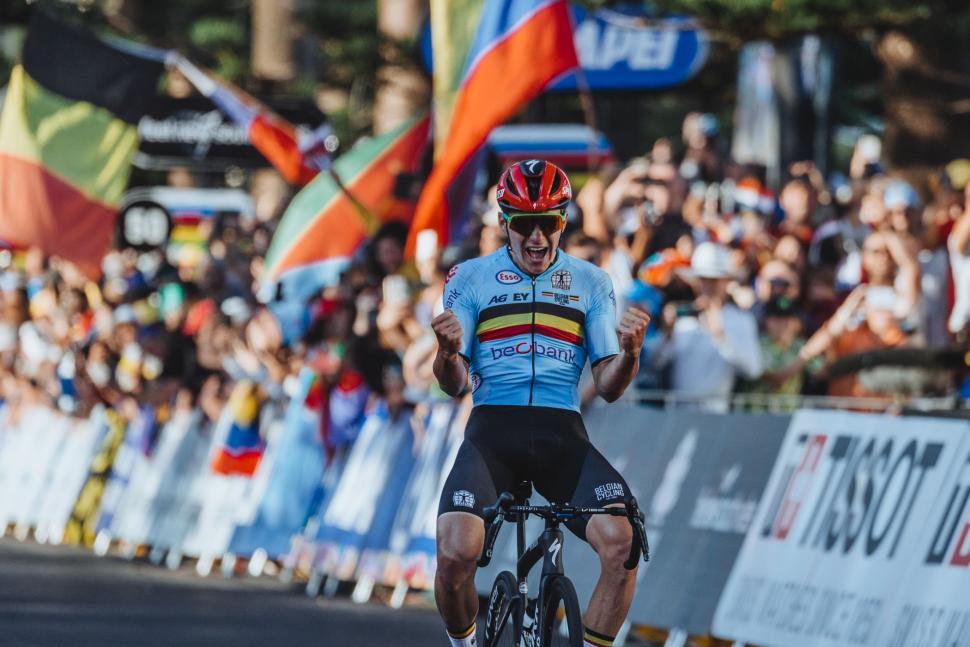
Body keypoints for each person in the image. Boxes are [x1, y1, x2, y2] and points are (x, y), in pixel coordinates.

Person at [429, 159, 650, 647]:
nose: (535, 237)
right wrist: (446, 353)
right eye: (523, 223)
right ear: (505, 222)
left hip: (561, 436)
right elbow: (454, 383)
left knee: (622, 543)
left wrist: (630, 354)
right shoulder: (470, 277)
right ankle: (463, 644)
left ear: (562, 221)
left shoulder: (592, 282)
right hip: (492, 435)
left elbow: (609, 386)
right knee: (455, 553)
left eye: (546, 223)